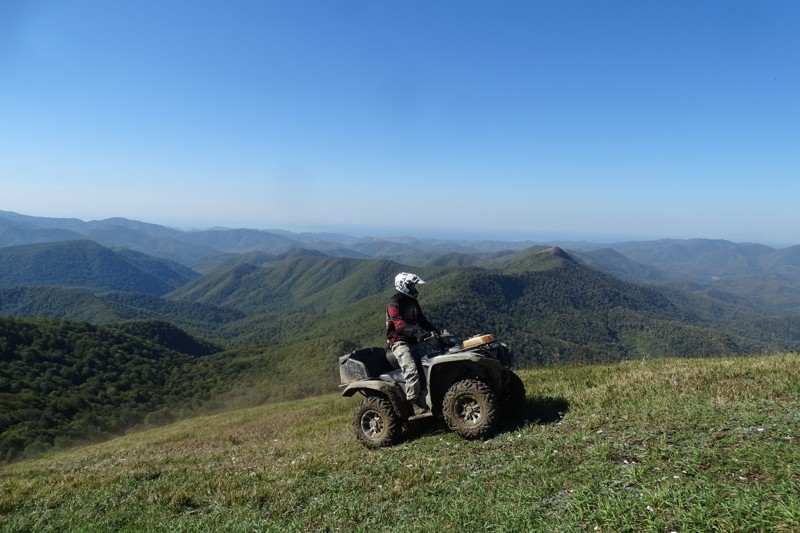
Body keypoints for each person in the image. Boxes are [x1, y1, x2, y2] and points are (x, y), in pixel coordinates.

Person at [386, 272, 437, 413]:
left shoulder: (412, 301)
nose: (415, 288)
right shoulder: (394, 303)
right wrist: (417, 332)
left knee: (428, 367)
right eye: (412, 286)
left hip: (414, 340)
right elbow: (400, 326)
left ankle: (428, 399)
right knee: (412, 370)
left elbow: (422, 320)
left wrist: (436, 331)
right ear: (404, 286)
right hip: (399, 342)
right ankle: (413, 402)